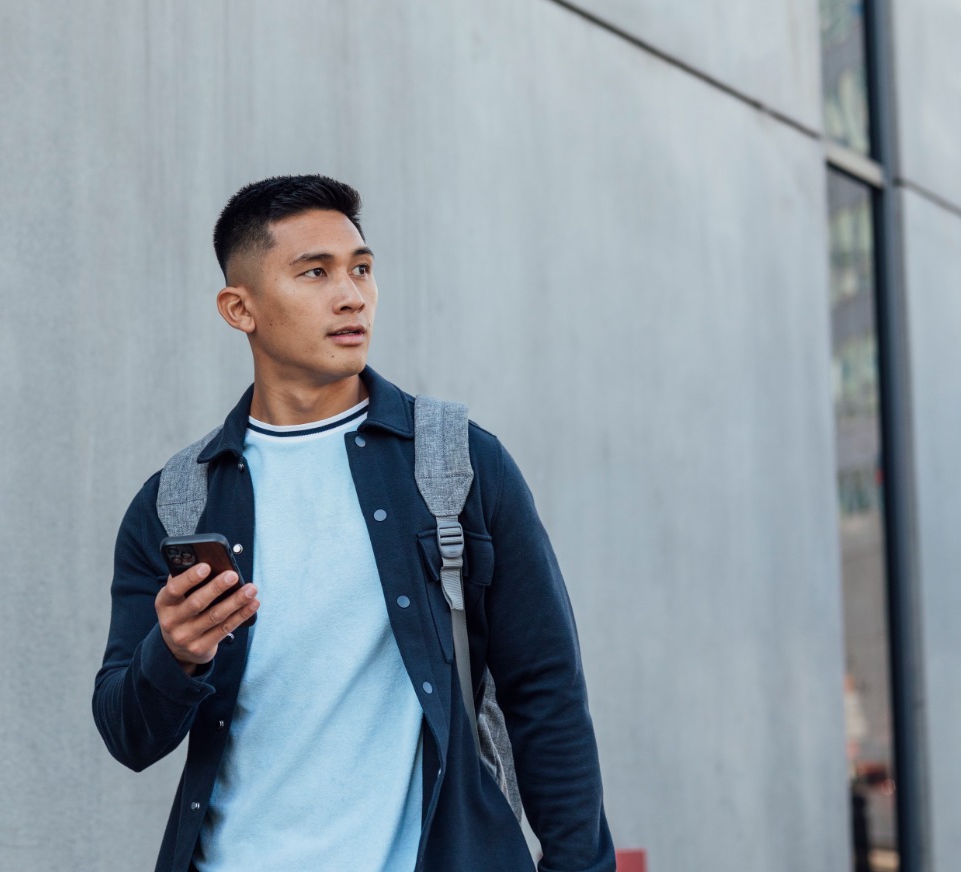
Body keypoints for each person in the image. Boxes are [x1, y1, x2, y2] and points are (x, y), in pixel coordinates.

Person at [92, 175, 615, 872]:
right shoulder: (177, 502)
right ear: (240, 308)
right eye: (315, 272)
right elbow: (127, 735)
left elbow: (547, 695)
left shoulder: (457, 464)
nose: (351, 295)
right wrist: (175, 653)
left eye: (361, 269)